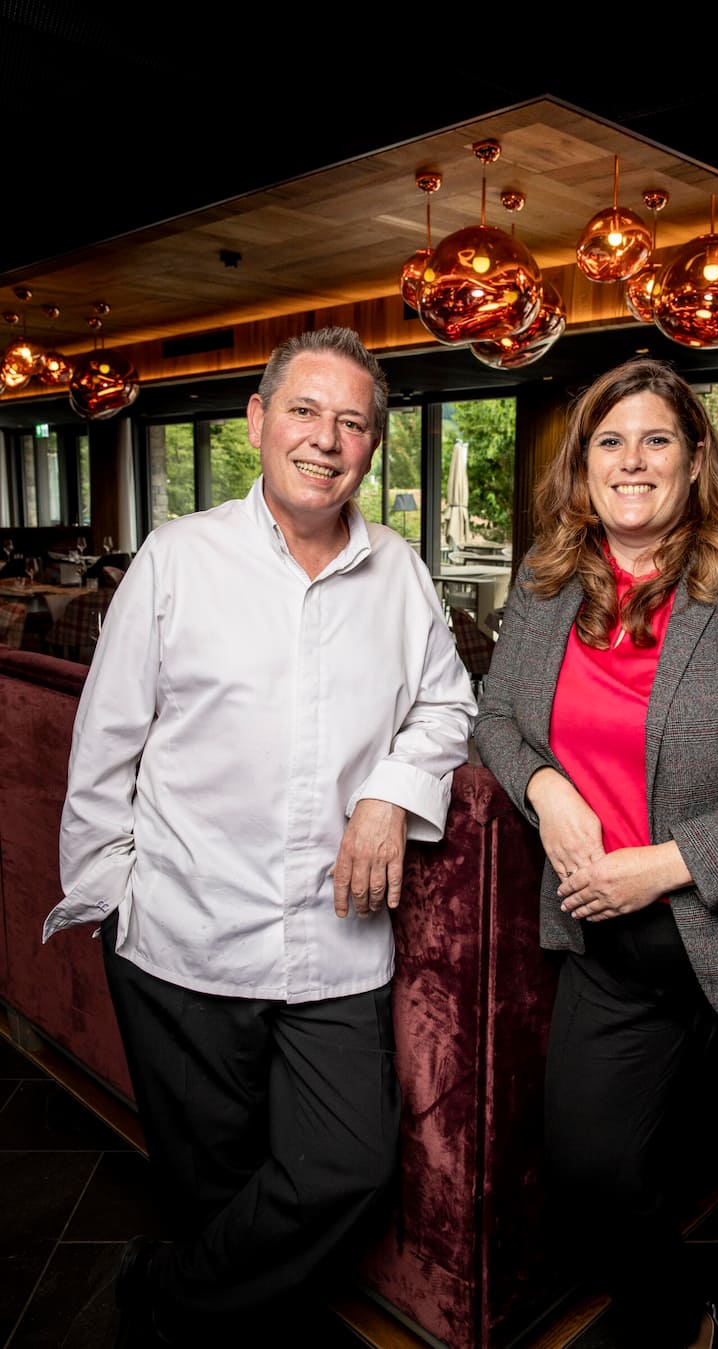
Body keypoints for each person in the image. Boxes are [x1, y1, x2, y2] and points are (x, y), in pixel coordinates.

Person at [43, 326, 477, 1346]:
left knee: (347, 1165)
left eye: (352, 421)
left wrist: (389, 794)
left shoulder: (401, 573)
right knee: (211, 1186)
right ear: (258, 422)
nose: (326, 438)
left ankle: (165, 1296)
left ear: (373, 445)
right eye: (305, 411)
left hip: (336, 944)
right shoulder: (177, 558)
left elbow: (448, 708)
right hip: (180, 939)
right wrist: (114, 899)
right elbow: (105, 745)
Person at [473, 357, 718, 1349]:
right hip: (612, 951)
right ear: (582, 467)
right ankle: (682, 1324)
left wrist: (657, 865)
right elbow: (493, 716)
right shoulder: (545, 581)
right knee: (589, 1171)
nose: (633, 460)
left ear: (696, 461)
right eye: (610, 441)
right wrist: (544, 785)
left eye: (657, 439)